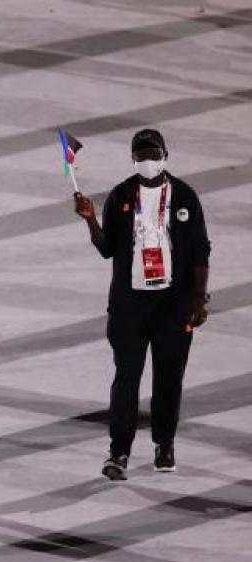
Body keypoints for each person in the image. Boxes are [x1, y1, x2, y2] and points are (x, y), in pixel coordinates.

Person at [73, 128, 211, 480]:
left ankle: (164, 446)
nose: (148, 161)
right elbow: (107, 248)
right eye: (142, 155)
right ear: (133, 159)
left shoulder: (183, 196)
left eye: (153, 154)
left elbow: (199, 250)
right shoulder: (121, 194)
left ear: (166, 154)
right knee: (126, 380)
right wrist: (90, 219)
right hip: (130, 306)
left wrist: (199, 297)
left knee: (169, 379)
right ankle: (118, 452)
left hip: (173, 304)